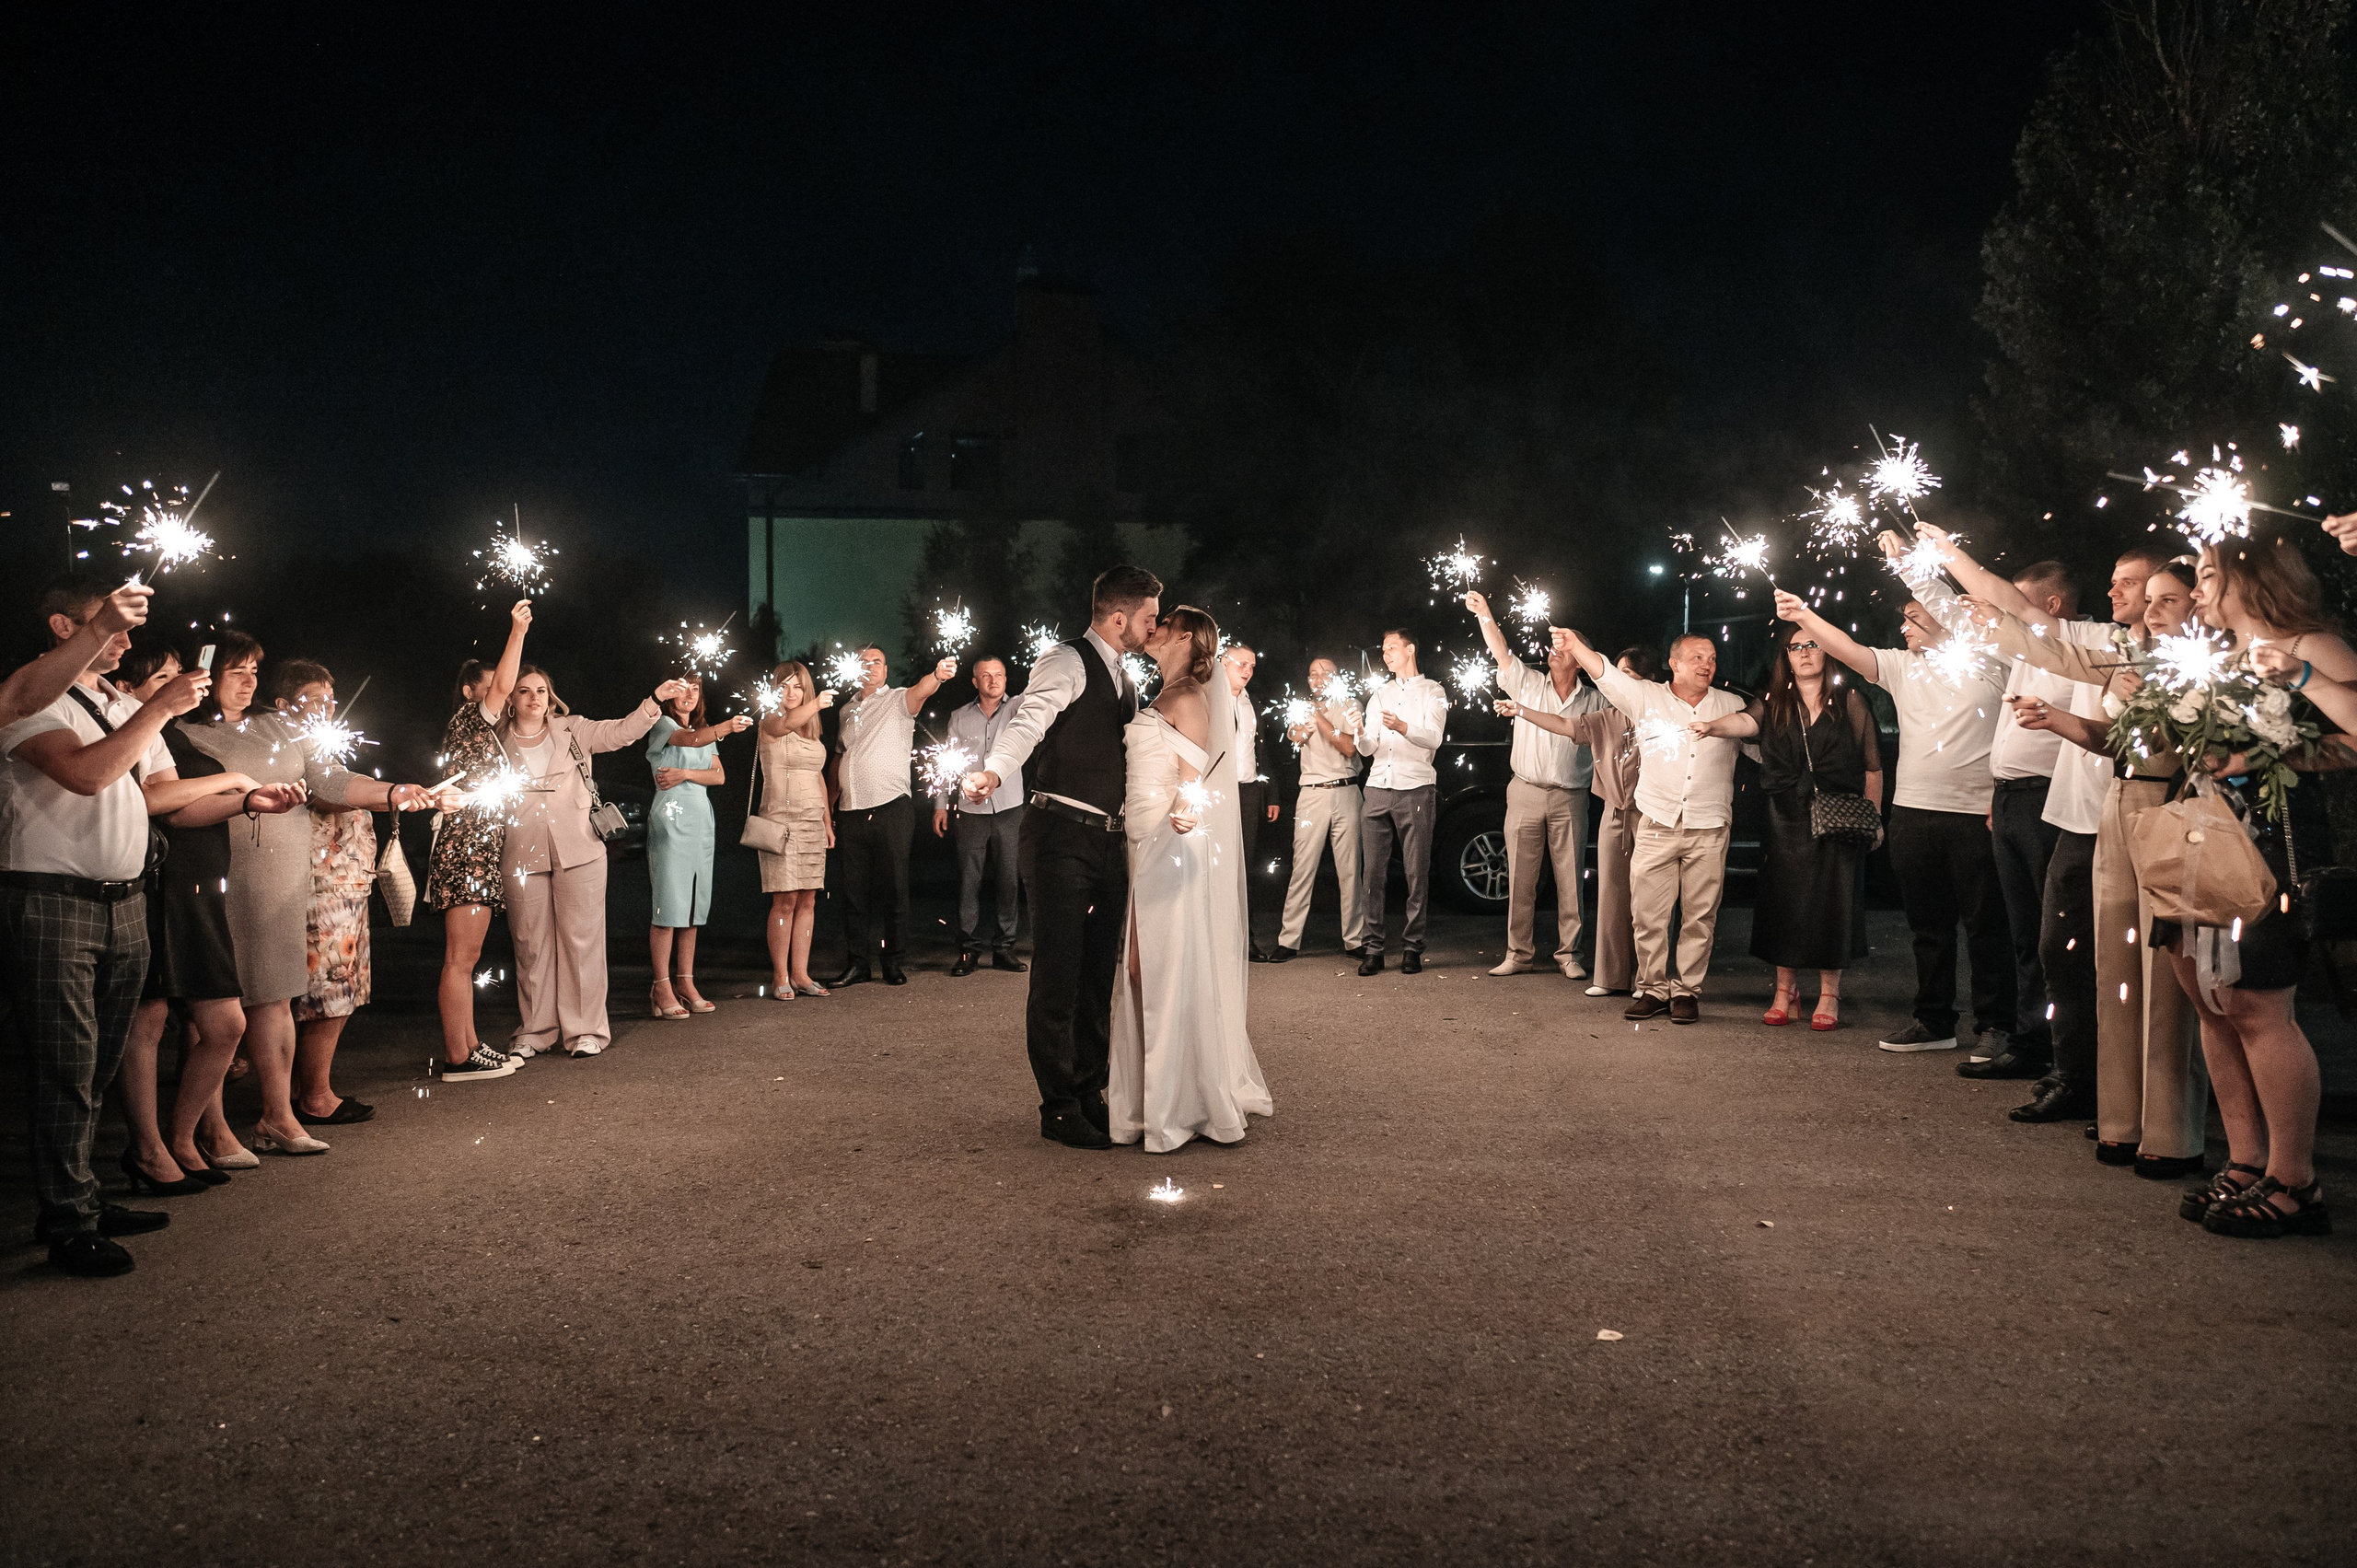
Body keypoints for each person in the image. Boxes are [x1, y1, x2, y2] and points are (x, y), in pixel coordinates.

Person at [1916, 529, 2174, 1121]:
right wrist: (1944, 553)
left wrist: (2061, 719)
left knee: (2107, 959)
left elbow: (2015, 606)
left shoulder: (2150, 653)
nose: (2117, 591)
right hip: (2075, 811)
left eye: (2131, 584)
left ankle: (2120, 1093)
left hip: (2130, 816)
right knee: (2061, 950)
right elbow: (2012, 606)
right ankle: (2084, 1078)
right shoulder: (2103, 643)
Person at [0, 575, 209, 1274]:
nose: (125, 640)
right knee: (64, 1063)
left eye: (126, 627)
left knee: (95, 1063)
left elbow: (152, 791)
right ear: (64, 627)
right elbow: (88, 775)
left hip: (125, 899)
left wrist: (244, 796)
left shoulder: (113, 700)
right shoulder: (33, 697)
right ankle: (68, 1220)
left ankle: (82, 1193)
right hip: (54, 897)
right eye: (108, 624)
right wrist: (157, 712)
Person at [1976, 562, 2209, 1174]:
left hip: (2173, 812)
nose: (2150, 607)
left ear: (2198, 604)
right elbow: (2028, 624)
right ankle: (2121, 1118)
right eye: (2147, 595)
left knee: (2165, 981)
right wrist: (1949, 558)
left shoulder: (2203, 668)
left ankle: (2172, 1129)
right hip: (2115, 806)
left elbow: (2172, 748)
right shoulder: (2121, 654)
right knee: (2113, 971)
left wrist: (2141, 713)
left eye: (2167, 597)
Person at [178, 634, 445, 1151]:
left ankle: (278, 1116)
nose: (249, 679)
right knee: (212, 1005)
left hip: (280, 883)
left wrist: (394, 793)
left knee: (275, 997)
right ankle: (210, 1128)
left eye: (254, 668)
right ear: (205, 673)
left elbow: (330, 779)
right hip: (217, 877)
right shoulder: (182, 734)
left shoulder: (280, 726)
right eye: (236, 670)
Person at [2161, 539, 2353, 1236]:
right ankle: (2246, 1159)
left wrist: (2273, 751)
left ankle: (2296, 1182)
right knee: (2212, 1003)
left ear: (2255, 577)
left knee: (2260, 1007)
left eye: (2211, 573)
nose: (2200, 586)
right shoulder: (2212, 658)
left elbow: (2355, 737)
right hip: (2202, 838)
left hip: (2271, 842)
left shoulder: (2313, 645)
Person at [1775, 565, 2014, 1055]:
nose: (1903, 627)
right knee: (1928, 927)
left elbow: (1946, 605)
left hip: (1974, 813)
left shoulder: (1991, 663)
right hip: (1912, 813)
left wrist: (1913, 562)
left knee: (1986, 925)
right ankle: (1933, 1020)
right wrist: (1804, 614)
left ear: (1946, 621)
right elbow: (1846, 648)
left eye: (1913, 617)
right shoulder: (1903, 668)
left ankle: (1996, 1025)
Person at [965, 564, 1164, 1149]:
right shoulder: (1066, 659)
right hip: (1059, 834)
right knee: (1059, 972)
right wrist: (996, 770)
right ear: (1119, 617)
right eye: (1149, 617)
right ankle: (1056, 1107)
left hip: (1110, 840)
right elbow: (1029, 722)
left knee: (1098, 972)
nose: (1154, 628)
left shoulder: (1127, 678)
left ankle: (1089, 1091)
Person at [122, 676, 305, 1195]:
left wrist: (251, 801)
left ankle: (182, 1136)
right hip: (153, 883)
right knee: (149, 1019)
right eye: (162, 678)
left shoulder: (169, 736)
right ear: (128, 685)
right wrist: (239, 782)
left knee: (225, 1022)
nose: (178, 687)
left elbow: (184, 809)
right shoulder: (133, 727)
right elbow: (157, 801)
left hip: (197, 890)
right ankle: (150, 1148)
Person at [1109, 606, 1273, 1150]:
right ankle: (1146, 1098)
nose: (1149, 632)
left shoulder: (1190, 697)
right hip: (1138, 844)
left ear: (1183, 636)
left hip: (1169, 844)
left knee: (1158, 967)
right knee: (1139, 969)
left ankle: (1178, 1101)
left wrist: (1186, 807)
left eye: (1160, 625)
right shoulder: (1157, 693)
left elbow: (1194, 778)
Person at [1685, 626, 1882, 1028]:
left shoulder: (1851, 700)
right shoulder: (1773, 701)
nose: (1806, 653)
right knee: (1783, 901)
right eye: (1797, 647)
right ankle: (1784, 991)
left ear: (1826, 652)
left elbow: (1872, 767)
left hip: (1837, 816)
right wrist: (1710, 726)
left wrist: (1874, 818)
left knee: (1835, 902)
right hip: (1785, 814)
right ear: (1786, 657)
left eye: (1813, 645)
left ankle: (1830, 993)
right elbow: (1744, 722)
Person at [496, 666, 688, 1058]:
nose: (535, 697)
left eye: (542, 691)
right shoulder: (496, 739)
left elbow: (621, 732)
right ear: (510, 700)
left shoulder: (574, 729)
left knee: (582, 940)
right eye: (524, 691)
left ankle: (586, 1030)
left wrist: (654, 700)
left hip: (579, 847)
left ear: (552, 697)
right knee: (530, 944)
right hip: (520, 850)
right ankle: (536, 1030)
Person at [1560, 628, 1747, 1023]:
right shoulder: (1648, 697)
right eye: (1697, 657)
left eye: (1711, 658)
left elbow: (1765, 744)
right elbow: (1606, 675)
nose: (1706, 664)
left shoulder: (1730, 704)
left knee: (1700, 915)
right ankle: (1651, 988)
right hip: (1658, 822)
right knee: (1647, 913)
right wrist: (1576, 646)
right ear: (1674, 664)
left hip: (1709, 826)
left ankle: (1687, 992)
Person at [1463, 590, 1610, 981]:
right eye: (1554, 644)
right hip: (1525, 790)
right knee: (1521, 878)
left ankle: (1569, 953)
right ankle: (1518, 953)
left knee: (1570, 877)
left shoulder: (1595, 702)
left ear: (1581, 661)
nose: (1554, 649)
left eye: (1566, 646)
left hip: (1571, 796)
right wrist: (1486, 615)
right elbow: (1501, 652)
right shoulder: (1527, 684)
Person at [424, 601, 531, 1081]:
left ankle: (468, 1043)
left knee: (466, 959)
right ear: (471, 692)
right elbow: (507, 684)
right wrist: (517, 629)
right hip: (466, 848)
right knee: (460, 958)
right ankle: (457, 1056)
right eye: (490, 687)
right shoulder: (471, 718)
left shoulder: (479, 732)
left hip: (476, 847)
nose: (501, 694)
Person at [274, 662, 387, 1124]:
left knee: (338, 984)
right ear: (284, 706)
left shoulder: (319, 745)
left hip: (345, 882)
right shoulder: (289, 746)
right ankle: (316, 1096)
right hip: (322, 887)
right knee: (328, 989)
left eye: (330, 699)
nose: (328, 707)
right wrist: (392, 793)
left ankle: (304, 1086)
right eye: (314, 699)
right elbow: (327, 792)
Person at [827, 644, 957, 986]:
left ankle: (893, 961)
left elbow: (921, 690)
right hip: (851, 810)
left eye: (877, 662)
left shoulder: (898, 699)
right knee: (853, 893)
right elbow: (839, 757)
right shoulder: (845, 711)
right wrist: (829, 805)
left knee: (894, 888)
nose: (870, 667)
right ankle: (857, 963)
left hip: (891, 807)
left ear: (886, 670)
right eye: (864, 662)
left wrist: (938, 675)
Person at [644, 676, 750, 1018]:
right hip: (671, 820)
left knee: (692, 906)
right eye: (682, 688)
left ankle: (685, 982)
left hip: (701, 821)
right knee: (668, 904)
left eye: (695, 689)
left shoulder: (705, 732)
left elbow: (719, 776)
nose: (689, 695)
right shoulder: (662, 725)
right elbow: (689, 740)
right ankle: (661, 985)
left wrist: (687, 774)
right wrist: (726, 727)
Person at [1354, 630, 1448, 975]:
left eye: (1391, 648)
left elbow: (1434, 738)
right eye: (1383, 650)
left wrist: (1404, 726)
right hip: (1378, 787)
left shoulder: (1433, 691)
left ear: (1410, 649)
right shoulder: (1380, 694)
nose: (1385, 654)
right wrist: (1360, 733)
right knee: (1372, 873)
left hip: (1416, 788)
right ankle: (1374, 948)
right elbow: (1369, 748)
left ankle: (1412, 948)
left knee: (1415, 872)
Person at [931, 656, 1028, 976]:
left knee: (1008, 880)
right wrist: (941, 805)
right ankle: (968, 950)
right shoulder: (959, 717)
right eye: (985, 676)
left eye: (998, 675)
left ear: (1005, 678)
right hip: (971, 810)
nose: (993, 680)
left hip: (1009, 807)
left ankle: (1004, 948)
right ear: (975, 682)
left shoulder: (1018, 709)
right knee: (968, 881)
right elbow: (946, 761)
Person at [1271, 658, 1364, 962]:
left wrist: (1320, 720)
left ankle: (1355, 939)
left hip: (1347, 791)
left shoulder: (1351, 704)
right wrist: (1305, 724)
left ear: (1336, 677)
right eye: (1312, 673)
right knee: (1302, 868)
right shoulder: (1300, 705)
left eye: (1325, 673)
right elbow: (1295, 738)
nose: (1318, 677)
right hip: (1311, 794)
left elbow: (1350, 747)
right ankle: (1289, 940)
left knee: (1350, 871)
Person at [753, 661, 835, 999]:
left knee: (808, 899)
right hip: (780, 820)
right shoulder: (770, 722)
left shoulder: (812, 732)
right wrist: (815, 704)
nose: (790, 693)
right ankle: (780, 975)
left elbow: (818, 776)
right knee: (784, 899)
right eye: (784, 686)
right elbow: (787, 721)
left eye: (798, 687)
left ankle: (801, 974)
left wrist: (827, 823)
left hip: (812, 821)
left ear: (806, 689)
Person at [0, 580, 152, 729]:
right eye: (113, 627)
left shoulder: (134, 707)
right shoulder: (42, 702)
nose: (126, 644)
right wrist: (160, 708)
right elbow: (17, 702)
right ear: (63, 626)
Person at [1222, 644, 1283, 961]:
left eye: (1252, 665)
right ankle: (1213, 942)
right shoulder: (1208, 698)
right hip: (1217, 792)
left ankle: (1245, 941)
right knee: (1215, 866)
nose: (1247, 670)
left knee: (1243, 869)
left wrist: (1270, 793)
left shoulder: (1252, 703)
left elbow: (1262, 752)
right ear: (1223, 662)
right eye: (1241, 663)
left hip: (1248, 792)